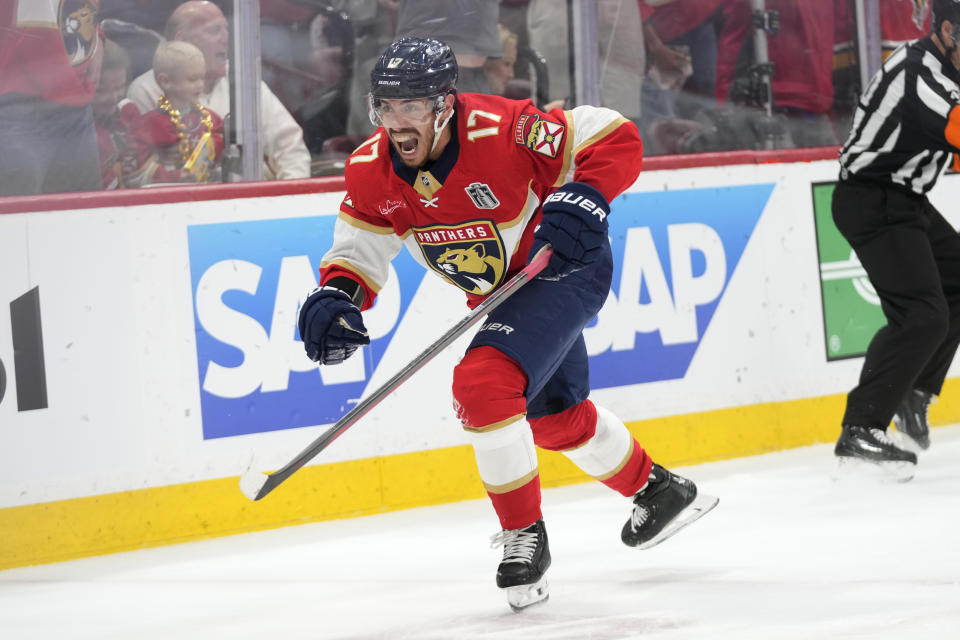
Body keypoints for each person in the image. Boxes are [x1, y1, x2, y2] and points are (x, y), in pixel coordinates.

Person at [296, 37, 718, 611]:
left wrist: (589, 194)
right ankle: (660, 491)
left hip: (565, 265)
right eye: (387, 107)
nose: (397, 122)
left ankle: (526, 537)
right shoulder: (372, 169)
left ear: (445, 104)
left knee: (484, 384)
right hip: (505, 293)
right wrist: (336, 296)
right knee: (551, 419)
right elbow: (360, 249)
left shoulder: (506, 128)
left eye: (412, 107)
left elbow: (615, 133)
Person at [831, 0, 960, 480]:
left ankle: (914, 393)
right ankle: (861, 428)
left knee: (957, 282)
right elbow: (955, 129)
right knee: (922, 315)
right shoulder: (918, 71)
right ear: (947, 30)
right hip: (873, 202)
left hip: (905, 200)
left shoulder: (947, 64)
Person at [126, 0, 311, 180]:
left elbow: (289, 147)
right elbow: (146, 172)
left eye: (226, 29)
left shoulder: (243, 78)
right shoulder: (146, 90)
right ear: (182, 40)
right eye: (215, 30)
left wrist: (289, 198)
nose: (226, 38)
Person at [0, 0, 104, 196]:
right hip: (12, 104)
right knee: (18, 220)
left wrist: (96, 33)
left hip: (75, 102)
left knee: (80, 217)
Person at [127, 41, 225, 185]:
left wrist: (210, 150)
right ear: (165, 81)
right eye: (192, 79)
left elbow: (224, 147)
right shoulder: (149, 125)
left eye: (202, 78)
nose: (200, 85)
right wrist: (174, 176)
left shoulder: (211, 118)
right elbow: (136, 170)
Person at [93, 39, 141, 189]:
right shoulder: (80, 134)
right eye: (101, 90)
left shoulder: (128, 113)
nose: (113, 97)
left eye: (120, 87)